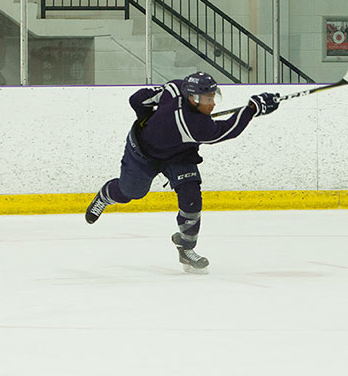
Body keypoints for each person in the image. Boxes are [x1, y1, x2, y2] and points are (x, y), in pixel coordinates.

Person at [85, 72, 280, 273]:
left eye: (213, 97)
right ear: (191, 98)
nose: (212, 104)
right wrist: (252, 109)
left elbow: (138, 100)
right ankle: (105, 195)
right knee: (131, 192)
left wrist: (150, 116)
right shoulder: (195, 125)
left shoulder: (176, 90)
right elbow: (228, 129)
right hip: (143, 153)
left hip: (179, 155)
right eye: (207, 99)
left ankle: (186, 248)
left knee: (191, 198)